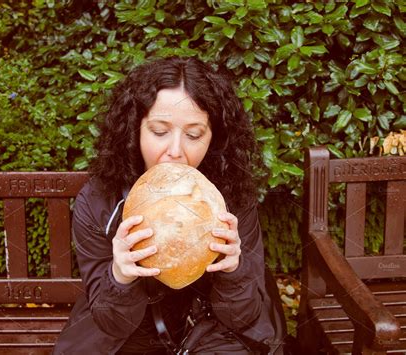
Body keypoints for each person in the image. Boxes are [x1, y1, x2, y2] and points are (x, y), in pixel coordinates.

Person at [53, 56, 286, 354]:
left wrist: (234, 272)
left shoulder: (230, 197)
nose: (174, 151)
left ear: (213, 137)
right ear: (134, 130)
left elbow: (243, 315)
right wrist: (120, 276)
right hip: (130, 335)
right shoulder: (99, 200)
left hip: (213, 329)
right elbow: (110, 323)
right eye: (160, 131)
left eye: (193, 135)